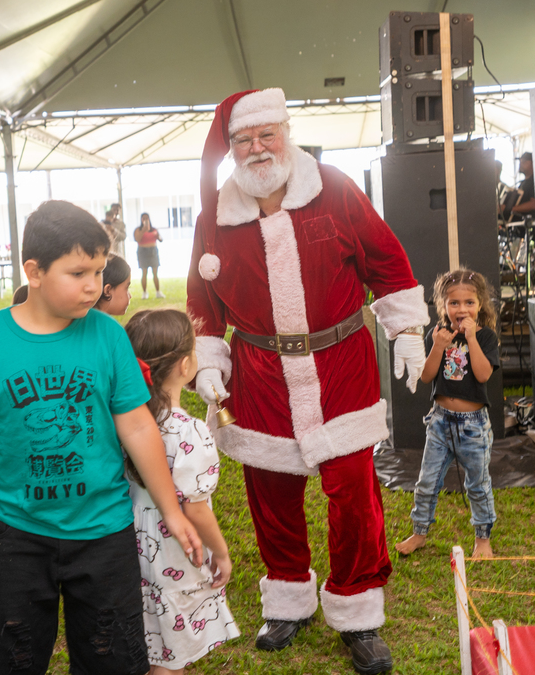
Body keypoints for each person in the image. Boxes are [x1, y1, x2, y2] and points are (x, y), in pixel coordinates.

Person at [0, 200, 203, 675]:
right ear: (34, 272)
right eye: (78, 273)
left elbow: (137, 426)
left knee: (112, 661)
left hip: (104, 532)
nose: (94, 286)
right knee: (9, 660)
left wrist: (172, 511)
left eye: (98, 271)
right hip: (16, 535)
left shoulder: (108, 336)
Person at [186, 88, 429, 675]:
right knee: (270, 494)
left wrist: (406, 329)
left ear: (286, 132)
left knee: (353, 493)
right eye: (244, 139)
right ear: (231, 148)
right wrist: (210, 361)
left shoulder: (333, 189)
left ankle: (357, 608)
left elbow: (385, 259)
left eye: (266, 134)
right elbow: (202, 300)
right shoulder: (215, 216)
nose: (257, 148)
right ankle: (288, 597)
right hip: (261, 375)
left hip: (340, 365)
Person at [125, 308, 239, 673]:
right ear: (186, 365)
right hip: (174, 552)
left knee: (146, 637)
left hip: (128, 546)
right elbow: (195, 509)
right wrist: (221, 553)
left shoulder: (122, 417)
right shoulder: (188, 431)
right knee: (170, 656)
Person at [396, 269, 500, 560]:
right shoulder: (439, 334)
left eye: (469, 302)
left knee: (478, 485)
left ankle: (482, 539)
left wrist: (471, 339)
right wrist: (438, 346)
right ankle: (419, 533)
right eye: (454, 303)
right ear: (443, 305)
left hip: (473, 427)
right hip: (440, 422)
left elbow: (483, 374)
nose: (461, 309)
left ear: (480, 305)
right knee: (427, 482)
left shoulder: (486, 337)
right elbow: (426, 376)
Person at [509, 152, 535, 231]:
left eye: (524, 162)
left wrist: (511, 209)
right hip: (517, 230)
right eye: (520, 162)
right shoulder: (522, 183)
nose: (521, 164)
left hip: (529, 231)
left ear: (533, 163)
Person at [133, 213, 165, 299]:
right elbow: (137, 239)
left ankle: (158, 291)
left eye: (147, 218)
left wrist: (158, 236)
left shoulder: (154, 229)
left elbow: (161, 239)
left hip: (153, 251)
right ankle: (144, 292)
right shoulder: (138, 230)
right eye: (143, 218)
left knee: (155, 273)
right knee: (144, 272)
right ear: (141, 219)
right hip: (143, 251)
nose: (145, 220)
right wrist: (143, 230)